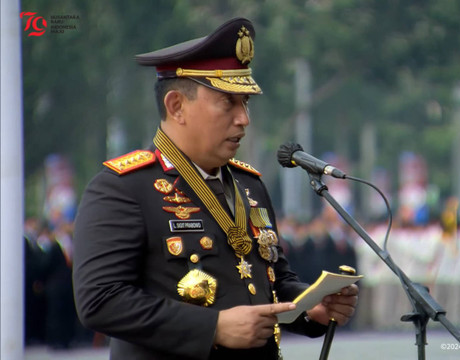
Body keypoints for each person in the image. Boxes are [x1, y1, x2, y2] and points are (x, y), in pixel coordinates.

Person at [72, 17, 358, 360]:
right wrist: (213, 327)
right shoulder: (123, 188)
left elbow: (272, 280)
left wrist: (310, 306)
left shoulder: (249, 186)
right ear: (177, 106)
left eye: (246, 103)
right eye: (228, 102)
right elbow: (100, 300)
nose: (243, 119)